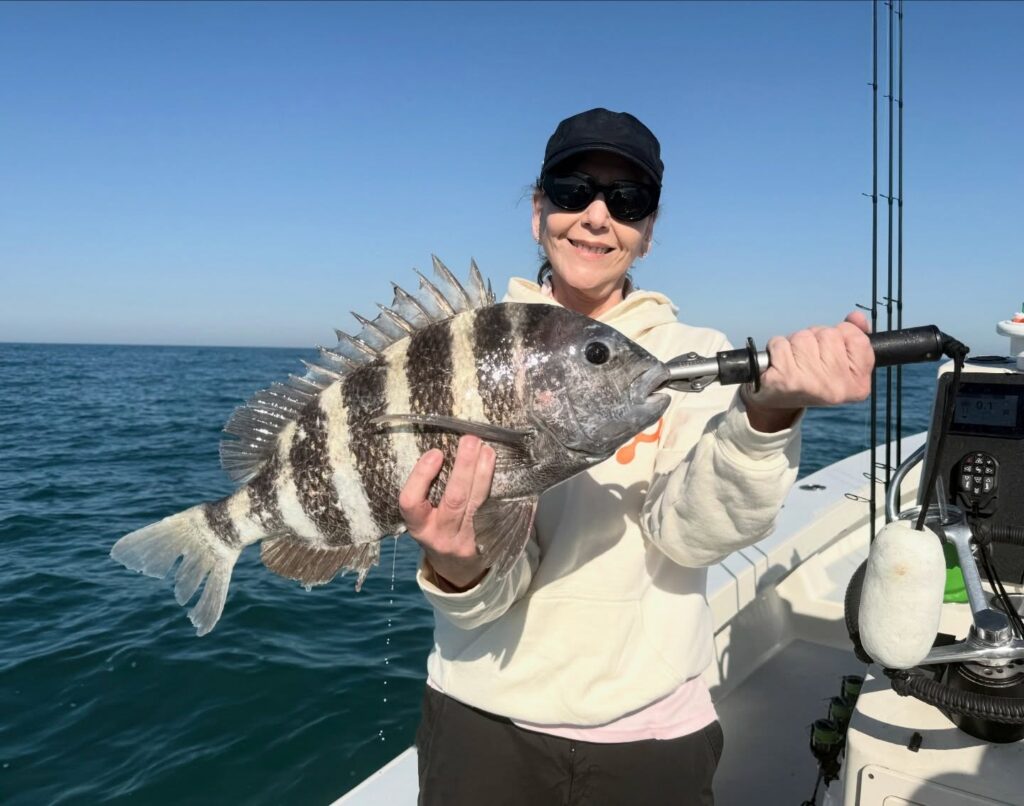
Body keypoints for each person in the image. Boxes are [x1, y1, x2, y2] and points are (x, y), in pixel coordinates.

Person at [399, 108, 873, 805]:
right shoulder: (467, 345)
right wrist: (457, 564)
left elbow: (690, 533)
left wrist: (769, 412)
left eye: (627, 201)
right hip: (480, 720)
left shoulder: (684, 360)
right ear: (538, 211)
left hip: (650, 734)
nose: (596, 216)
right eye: (571, 190)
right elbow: (486, 589)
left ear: (647, 233)